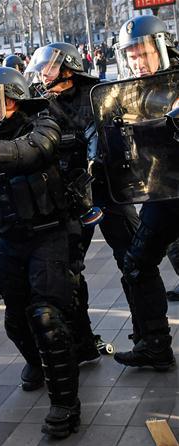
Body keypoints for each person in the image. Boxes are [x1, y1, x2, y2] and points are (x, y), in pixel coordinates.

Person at [0, 66, 79, 439]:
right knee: (15, 322)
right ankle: (39, 365)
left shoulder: (41, 125)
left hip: (48, 235)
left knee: (47, 318)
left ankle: (66, 404)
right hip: (7, 243)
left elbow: (31, 152)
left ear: (13, 100)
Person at [26, 42, 138, 361]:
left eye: (49, 69)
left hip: (110, 188)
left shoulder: (98, 93)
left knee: (133, 260)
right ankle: (83, 342)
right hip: (71, 194)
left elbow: (111, 132)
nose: (44, 76)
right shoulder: (41, 103)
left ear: (68, 68)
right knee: (69, 269)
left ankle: (148, 336)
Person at [110, 14, 179, 370]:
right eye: (131, 55)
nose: (137, 60)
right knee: (136, 265)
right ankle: (154, 344)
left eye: (143, 52)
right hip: (162, 192)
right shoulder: (131, 91)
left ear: (162, 47)